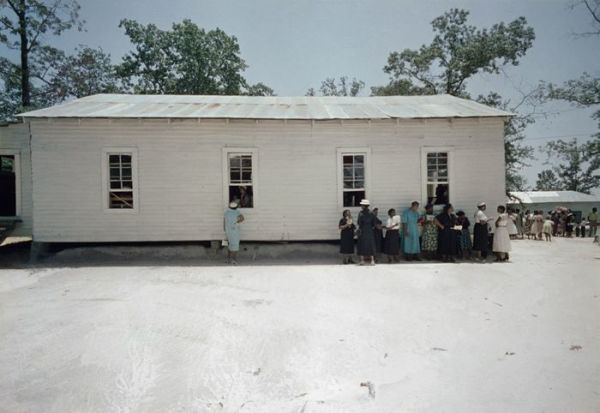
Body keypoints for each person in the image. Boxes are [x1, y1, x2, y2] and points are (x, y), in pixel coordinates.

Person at [357, 199, 376, 265]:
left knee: (361, 244)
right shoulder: (372, 213)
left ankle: (362, 260)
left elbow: (359, 222)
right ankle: (372, 260)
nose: (361, 206)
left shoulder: (361, 213)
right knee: (371, 244)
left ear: (364, 206)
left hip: (362, 230)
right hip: (370, 230)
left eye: (362, 205)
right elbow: (374, 223)